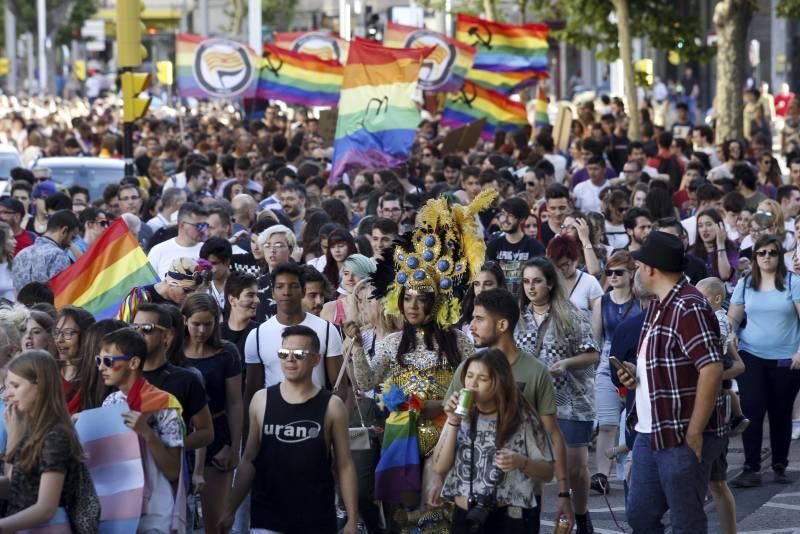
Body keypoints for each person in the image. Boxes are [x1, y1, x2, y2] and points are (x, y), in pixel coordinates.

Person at [354, 192, 489, 530]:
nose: (413, 306)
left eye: (422, 299)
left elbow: (473, 388)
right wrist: (355, 346)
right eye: (408, 299)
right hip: (402, 434)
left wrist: (444, 407)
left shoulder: (459, 341)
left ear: (437, 302)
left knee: (436, 507)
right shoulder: (391, 342)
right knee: (404, 513)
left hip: (446, 432)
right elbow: (366, 383)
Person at [622, 231, 727, 533]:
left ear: (652, 269)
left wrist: (695, 431)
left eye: (640, 264)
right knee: (640, 515)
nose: (637, 270)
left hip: (681, 432)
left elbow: (711, 368)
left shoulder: (688, 305)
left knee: (686, 521)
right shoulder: (659, 303)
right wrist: (633, 372)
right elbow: (661, 362)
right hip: (650, 429)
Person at [444, 288, 574, 532]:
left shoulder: (535, 372)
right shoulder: (469, 369)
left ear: (502, 324)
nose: (471, 325)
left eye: (479, 319)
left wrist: (564, 494)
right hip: (473, 499)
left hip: (519, 503)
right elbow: (451, 429)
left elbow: (553, 434)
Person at [218, 325, 359, 534]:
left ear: (316, 359)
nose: (290, 360)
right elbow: (248, 460)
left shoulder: (332, 406)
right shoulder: (261, 400)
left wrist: (352, 519)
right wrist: (229, 510)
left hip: (316, 518)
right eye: (284, 354)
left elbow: (345, 464)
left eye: (299, 354)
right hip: (267, 517)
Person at [514, 257, 599, 534]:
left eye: (537, 280)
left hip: (571, 401)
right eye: (526, 281)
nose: (531, 287)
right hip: (531, 404)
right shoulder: (518, 317)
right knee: (533, 468)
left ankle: (583, 515)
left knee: (575, 467)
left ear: (550, 282)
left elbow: (592, 354)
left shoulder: (570, 313)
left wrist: (566, 364)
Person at [433, 349, 555, 533]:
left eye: (482, 379)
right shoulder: (460, 416)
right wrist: (453, 421)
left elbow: (548, 472)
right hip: (466, 514)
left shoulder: (523, 419)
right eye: (469, 376)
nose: (472, 384)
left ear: (500, 382)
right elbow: (440, 467)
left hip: (508, 517)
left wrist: (521, 462)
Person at [727, 234, 800, 487]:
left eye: (772, 252)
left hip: (785, 358)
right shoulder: (745, 283)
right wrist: (732, 333)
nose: (766, 257)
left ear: (779, 257)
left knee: (780, 412)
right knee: (752, 408)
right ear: (755, 256)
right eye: (761, 253)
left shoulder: (793, 282)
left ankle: (779, 464)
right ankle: (751, 467)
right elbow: (733, 317)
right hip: (751, 354)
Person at [0, 350, 100, 532]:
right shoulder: (29, 428)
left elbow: (45, 509)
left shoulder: (56, 435)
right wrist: (13, 439)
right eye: (6, 387)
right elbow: (16, 484)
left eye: (15, 386)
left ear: (40, 386)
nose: (7, 394)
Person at [99, 328, 186, 532]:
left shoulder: (164, 405)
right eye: (99, 361)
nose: (101, 368)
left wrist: (147, 433)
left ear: (134, 363)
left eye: (108, 361)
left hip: (155, 512)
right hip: (119, 506)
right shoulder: (110, 403)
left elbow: (174, 471)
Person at [181, 293, 243, 532]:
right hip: (181, 433)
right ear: (185, 320)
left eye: (208, 324)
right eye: (196, 323)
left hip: (217, 433)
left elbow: (235, 402)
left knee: (216, 521)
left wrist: (234, 446)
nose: (202, 330)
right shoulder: (173, 354)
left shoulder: (226, 352)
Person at [244, 263, 344, 408]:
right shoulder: (257, 335)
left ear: (303, 291)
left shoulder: (327, 330)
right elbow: (252, 394)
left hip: (315, 418)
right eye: (280, 287)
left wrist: (328, 419)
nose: (286, 292)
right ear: (272, 292)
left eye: (293, 286)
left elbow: (340, 387)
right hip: (273, 421)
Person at [590, 251, 640, 494]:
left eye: (619, 272)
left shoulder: (641, 300)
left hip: (636, 362)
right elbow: (596, 339)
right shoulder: (602, 301)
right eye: (609, 272)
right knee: (607, 423)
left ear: (631, 274)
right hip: (607, 362)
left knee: (634, 421)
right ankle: (602, 474)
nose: (613, 276)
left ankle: (633, 471)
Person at [117, 257, 212, 322]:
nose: (188, 296)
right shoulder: (140, 295)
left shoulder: (185, 304)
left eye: (193, 292)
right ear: (172, 282)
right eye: (186, 290)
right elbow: (122, 328)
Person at [485, 198, 545, 298]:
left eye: (511, 215)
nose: (505, 219)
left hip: (526, 302)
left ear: (522, 219)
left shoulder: (535, 247)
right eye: (503, 214)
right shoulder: (493, 246)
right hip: (500, 301)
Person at [12, 210, 79, 292]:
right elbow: (60, 294)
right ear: (64, 231)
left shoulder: (21, 254)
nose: (70, 243)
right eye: (72, 237)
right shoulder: (58, 255)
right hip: (47, 304)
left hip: (19, 304)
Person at [546, 235, 603, 321]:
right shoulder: (547, 281)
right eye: (555, 265)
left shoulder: (589, 282)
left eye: (564, 265)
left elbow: (600, 316)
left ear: (575, 260)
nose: (560, 270)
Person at [147, 202, 208, 279]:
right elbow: (147, 285)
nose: (203, 230)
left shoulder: (207, 250)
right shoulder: (158, 250)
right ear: (182, 225)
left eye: (205, 225)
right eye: (198, 226)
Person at [54, 306, 96, 415]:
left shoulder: (95, 377)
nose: (59, 339)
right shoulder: (49, 373)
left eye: (68, 333)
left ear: (85, 336)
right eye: (57, 332)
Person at [320, 253, 375, 327]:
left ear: (367, 276)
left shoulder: (375, 307)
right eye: (346, 274)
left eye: (356, 274)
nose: (350, 278)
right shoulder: (329, 308)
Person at [691, 209, 738, 283]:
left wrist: (721, 245)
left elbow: (725, 275)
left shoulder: (730, 247)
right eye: (700, 226)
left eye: (709, 224)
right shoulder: (692, 251)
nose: (704, 229)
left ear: (720, 226)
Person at [222, 271, 260, 360]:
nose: (257, 300)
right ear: (232, 300)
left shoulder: (261, 332)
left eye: (257, 295)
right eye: (250, 295)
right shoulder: (216, 334)